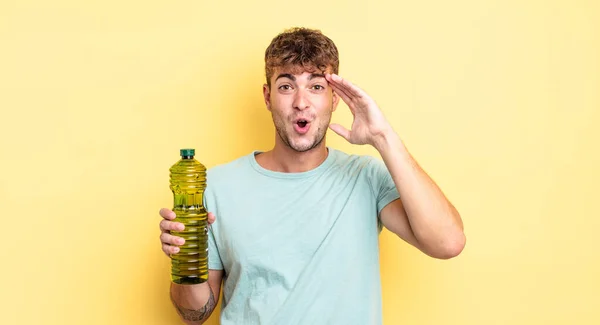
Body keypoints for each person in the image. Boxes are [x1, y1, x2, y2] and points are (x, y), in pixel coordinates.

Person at [158, 27, 466, 325]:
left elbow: (447, 242)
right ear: (267, 97)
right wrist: (184, 258)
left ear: (334, 99)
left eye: (316, 86)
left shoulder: (367, 178)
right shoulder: (217, 187)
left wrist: (383, 136)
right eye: (286, 86)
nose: (301, 102)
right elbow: (194, 315)